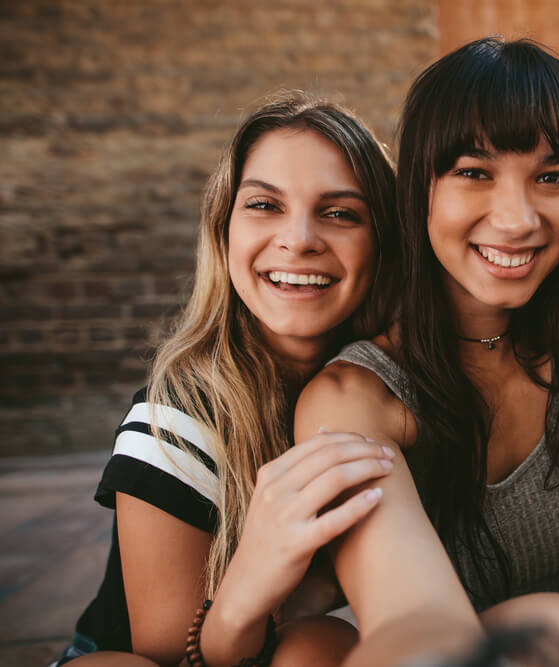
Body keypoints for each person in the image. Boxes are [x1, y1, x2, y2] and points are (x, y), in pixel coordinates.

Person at [295, 37, 559, 666]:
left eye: (552, 177)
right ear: (419, 188)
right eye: (474, 173)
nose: (517, 219)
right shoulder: (354, 399)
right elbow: (409, 617)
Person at [57, 93, 400, 667]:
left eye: (340, 212)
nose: (298, 239)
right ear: (223, 230)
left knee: (322, 647)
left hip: (298, 646)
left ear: (385, 244)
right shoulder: (175, 420)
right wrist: (257, 585)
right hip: (152, 656)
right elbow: (168, 655)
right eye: (265, 205)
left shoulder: (389, 396)